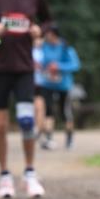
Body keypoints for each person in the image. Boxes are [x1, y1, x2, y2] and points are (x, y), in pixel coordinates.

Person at [0, 0, 51, 198]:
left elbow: (48, 21)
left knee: (26, 121)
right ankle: (4, 176)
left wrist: (39, 32)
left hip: (24, 68)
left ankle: (30, 172)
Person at [34, 22, 80, 150]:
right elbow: (41, 61)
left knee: (65, 112)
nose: (46, 36)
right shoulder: (43, 46)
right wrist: (40, 65)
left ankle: (69, 138)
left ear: (54, 34)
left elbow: (75, 65)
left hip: (63, 85)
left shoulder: (66, 47)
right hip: (47, 83)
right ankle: (49, 139)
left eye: (48, 34)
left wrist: (59, 66)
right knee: (48, 111)